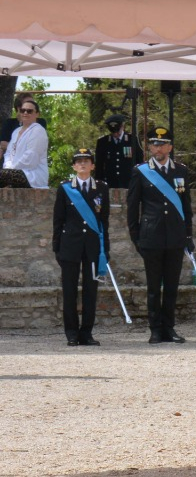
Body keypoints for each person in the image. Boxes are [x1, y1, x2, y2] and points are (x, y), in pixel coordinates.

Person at [125, 126, 195, 344]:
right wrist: (136, 237)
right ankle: (155, 329)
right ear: (149, 147)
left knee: (172, 286)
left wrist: (188, 235)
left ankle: (169, 328)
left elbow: (186, 206)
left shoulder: (180, 171)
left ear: (170, 147)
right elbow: (132, 207)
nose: (158, 148)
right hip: (151, 236)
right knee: (154, 287)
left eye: (163, 144)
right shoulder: (141, 171)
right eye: (155, 144)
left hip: (175, 235)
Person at [52, 148, 109, 347]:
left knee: (90, 291)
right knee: (69, 291)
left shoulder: (101, 188)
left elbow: (104, 221)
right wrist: (57, 248)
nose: (82, 164)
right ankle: (71, 333)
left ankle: (86, 333)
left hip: (93, 247)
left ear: (93, 165)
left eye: (86, 161)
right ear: (74, 166)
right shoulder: (65, 188)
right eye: (79, 161)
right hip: (70, 246)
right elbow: (58, 220)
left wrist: (105, 250)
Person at [2, 95, 48, 188]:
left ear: (37, 114)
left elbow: (31, 158)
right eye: (23, 110)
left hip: (32, 176)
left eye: (29, 111)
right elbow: (8, 154)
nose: (25, 113)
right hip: (13, 172)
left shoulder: (38, 130)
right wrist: (8, 168)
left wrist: (11, 170)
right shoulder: (16, 132)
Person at [95, 114, 143, 188]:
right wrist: (99, 185)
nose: (116, 134)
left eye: (117, 131)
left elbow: (139, 162)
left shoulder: (133, 140)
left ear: (122, 126)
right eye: (113, 132)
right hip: (109, 184)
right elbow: (99, 166)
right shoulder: (103, 142)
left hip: (129, 183)